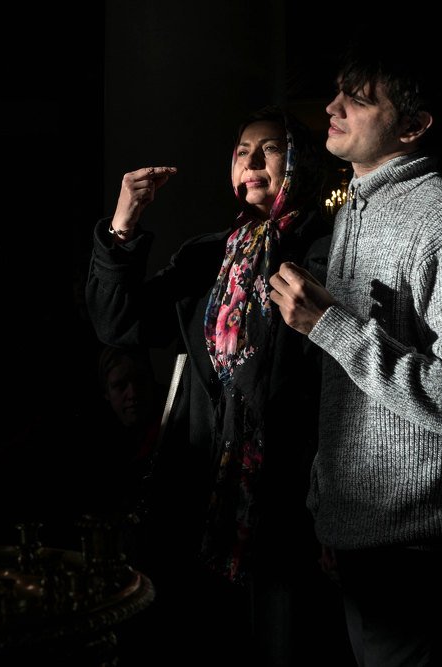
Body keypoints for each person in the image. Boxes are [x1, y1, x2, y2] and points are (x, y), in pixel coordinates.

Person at [268, 35, 442, 666]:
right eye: (338, 91)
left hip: (421, 551)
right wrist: (333, 510)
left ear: (413, 126)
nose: (333, 107)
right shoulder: (354, 211)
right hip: (361, 538)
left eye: (358, 98)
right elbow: (348, 391)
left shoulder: (440, 218)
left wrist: (330, 327)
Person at [87, 106, 349, 665]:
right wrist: (123, 224)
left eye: (270, 149)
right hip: (203, 492)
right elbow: (120, 323)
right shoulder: (210, 256)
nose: (251, 161)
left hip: (288, 497)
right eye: (241, 151)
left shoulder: (328, 250)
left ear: (301, 160)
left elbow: (336, 384)